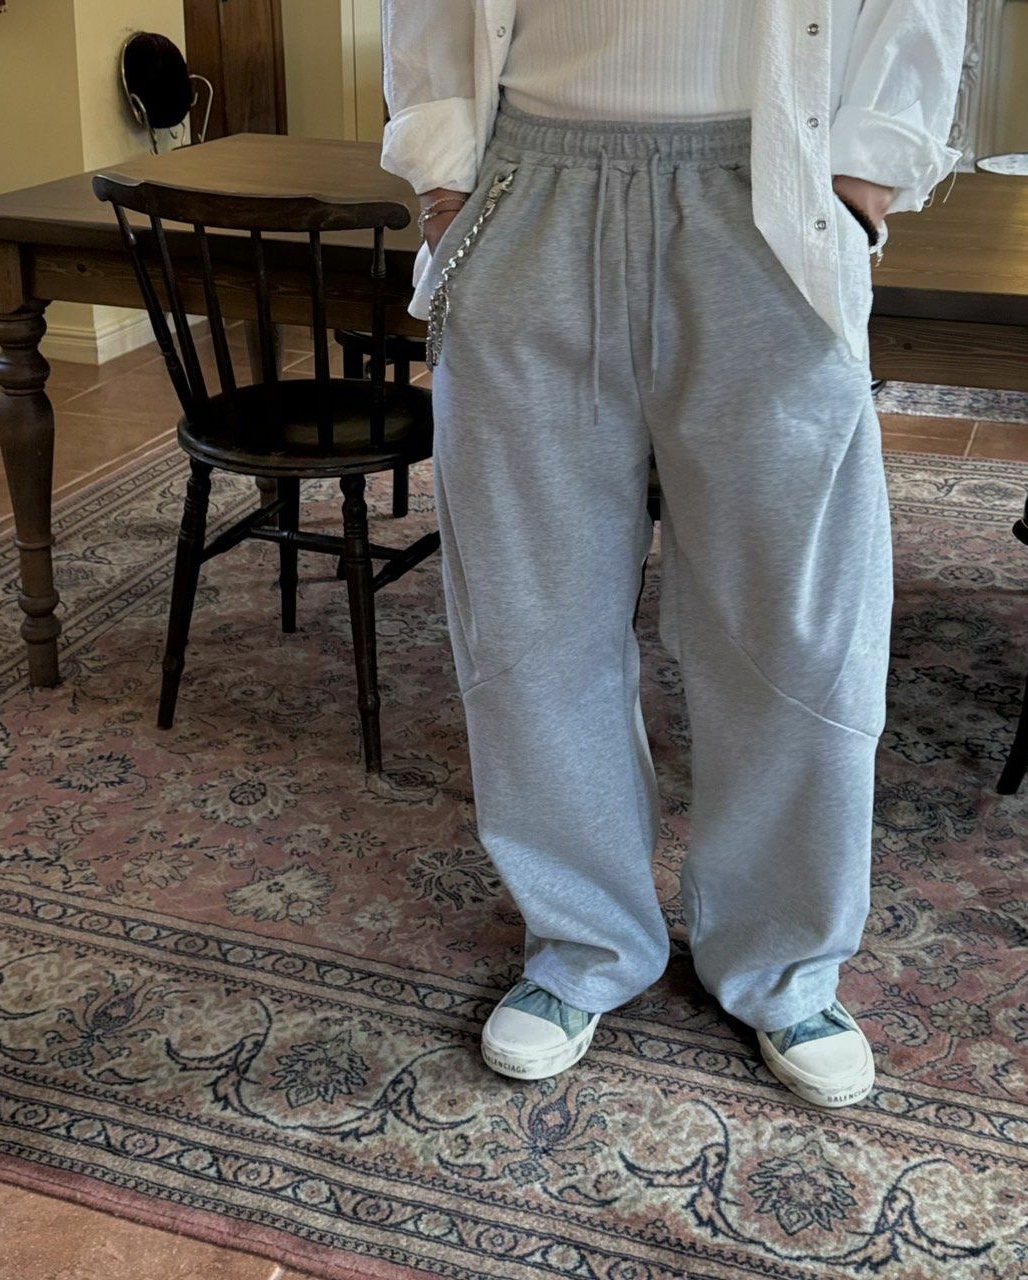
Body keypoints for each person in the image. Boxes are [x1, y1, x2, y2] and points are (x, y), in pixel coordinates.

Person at [381, 0, 966, 1109]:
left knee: (796, 622)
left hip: (774, 196)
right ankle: (583, 940)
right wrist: (444, 186)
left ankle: (785, 960)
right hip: (525, 187)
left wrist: (862, 184)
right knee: (528, 616)